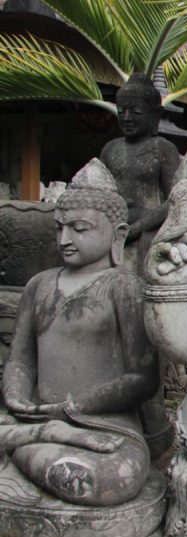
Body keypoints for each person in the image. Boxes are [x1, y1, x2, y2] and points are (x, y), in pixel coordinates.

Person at [0, 159, 160, 506]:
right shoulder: (38, 285)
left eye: (79, 228)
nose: (65, 239)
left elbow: (143, 378)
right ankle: (38, 436)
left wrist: (73, 409)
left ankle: (25, 450)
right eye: (59, 228)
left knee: (94, 479)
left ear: (117, 235)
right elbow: (21, 360)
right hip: (34, 418)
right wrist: (16, 397)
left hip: (101, 427)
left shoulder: (124, 287)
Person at [99, 73, 181, 273]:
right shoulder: (110, 149)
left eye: (135, 111)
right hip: (111, 230)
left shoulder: (163, 149)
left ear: (155, 114)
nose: (126, 117)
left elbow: (176, 199)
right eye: (121, 111)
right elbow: (98, 194)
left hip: (148, 232)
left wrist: (136, 229)